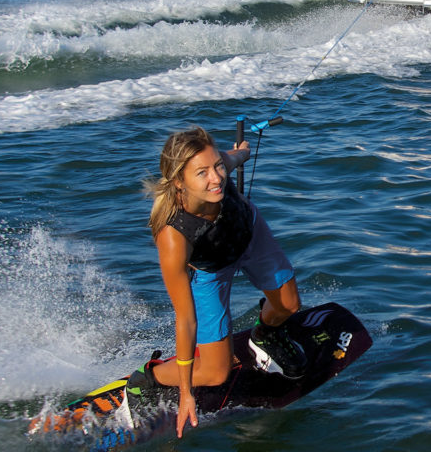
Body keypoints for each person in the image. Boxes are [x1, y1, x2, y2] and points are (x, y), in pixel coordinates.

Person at [130, 126, 307, 438]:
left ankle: (266, 334)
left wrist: (244, 151)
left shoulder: (218, 168)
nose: (217, 178)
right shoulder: (172, 236)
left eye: (218, 166)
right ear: (178, 182)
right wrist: (186, 393)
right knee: (214, 373)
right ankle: (149, 377)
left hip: (249, 234)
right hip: (210, 270)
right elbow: (185, 320)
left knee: (289, 305)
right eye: (202, 173)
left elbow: (233, 156)